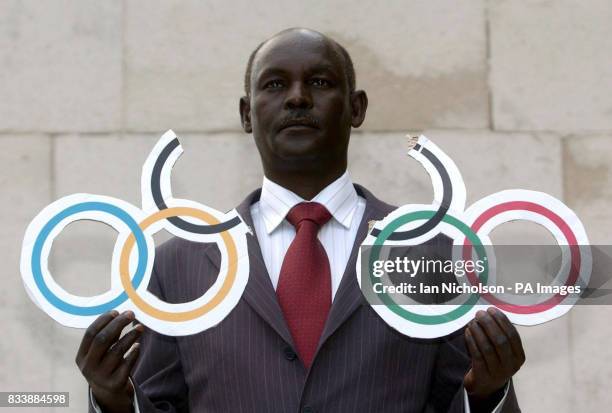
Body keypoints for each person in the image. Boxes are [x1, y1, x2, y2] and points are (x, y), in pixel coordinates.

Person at [76, 28, 524, 412]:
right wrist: (114, 399)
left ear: (357, 108)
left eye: (320, 81)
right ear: (246, 114)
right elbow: (159, 401)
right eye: (273, 85)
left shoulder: (433, 252)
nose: (297, 97)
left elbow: (457, 395)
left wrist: (489, 392)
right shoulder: (178, 265)